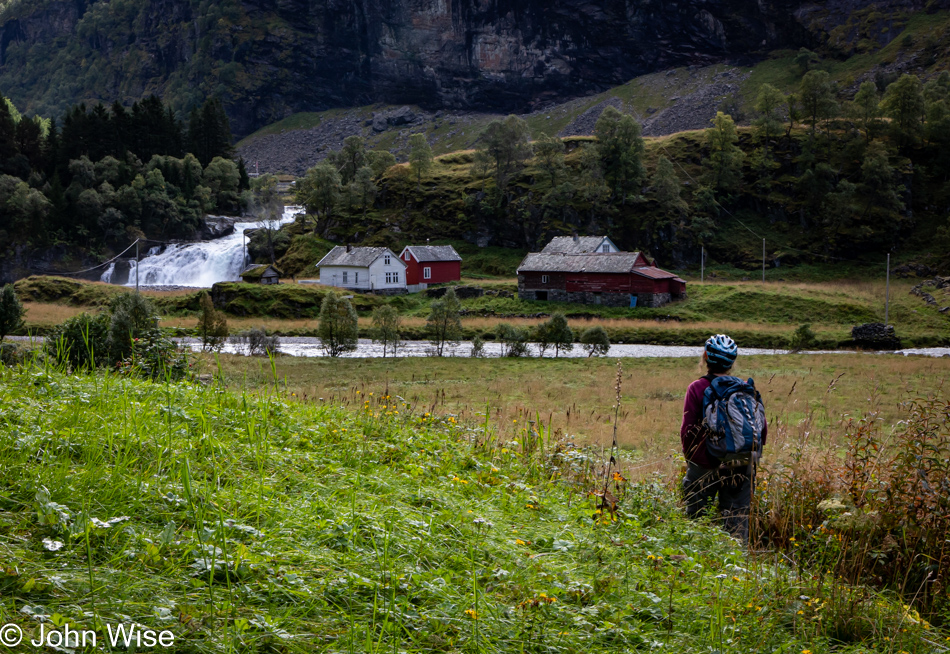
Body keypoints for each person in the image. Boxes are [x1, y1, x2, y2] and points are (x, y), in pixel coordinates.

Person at [680, 334, 767, 543]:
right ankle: (735, 564)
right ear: (732, 362)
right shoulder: (745, 388)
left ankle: (699, 563)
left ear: (705, 357)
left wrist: (696, 463)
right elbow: (761, 431)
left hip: (706, 462)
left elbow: (688, 431)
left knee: (697, 520)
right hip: (741, 461)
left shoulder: (697, 387)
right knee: (737, 521)